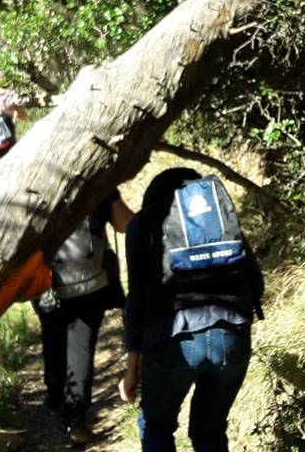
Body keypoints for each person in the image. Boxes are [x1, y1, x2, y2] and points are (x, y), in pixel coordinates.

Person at [119, 168, 264, 452]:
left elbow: (135, 300)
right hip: (232, 334)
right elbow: (256, 285)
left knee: (156, 426)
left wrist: (131, 367)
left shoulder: (144, 223)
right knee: (210, 431)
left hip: (172, 338)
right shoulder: (218, 221)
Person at [33, 189, 134, 445]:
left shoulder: (33, 185)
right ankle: (76, 420)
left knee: (53, 338)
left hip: (47, 284)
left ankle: (56, 398)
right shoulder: (96, 180)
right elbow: (125, 224)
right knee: (81, 347)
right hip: (91, 283)